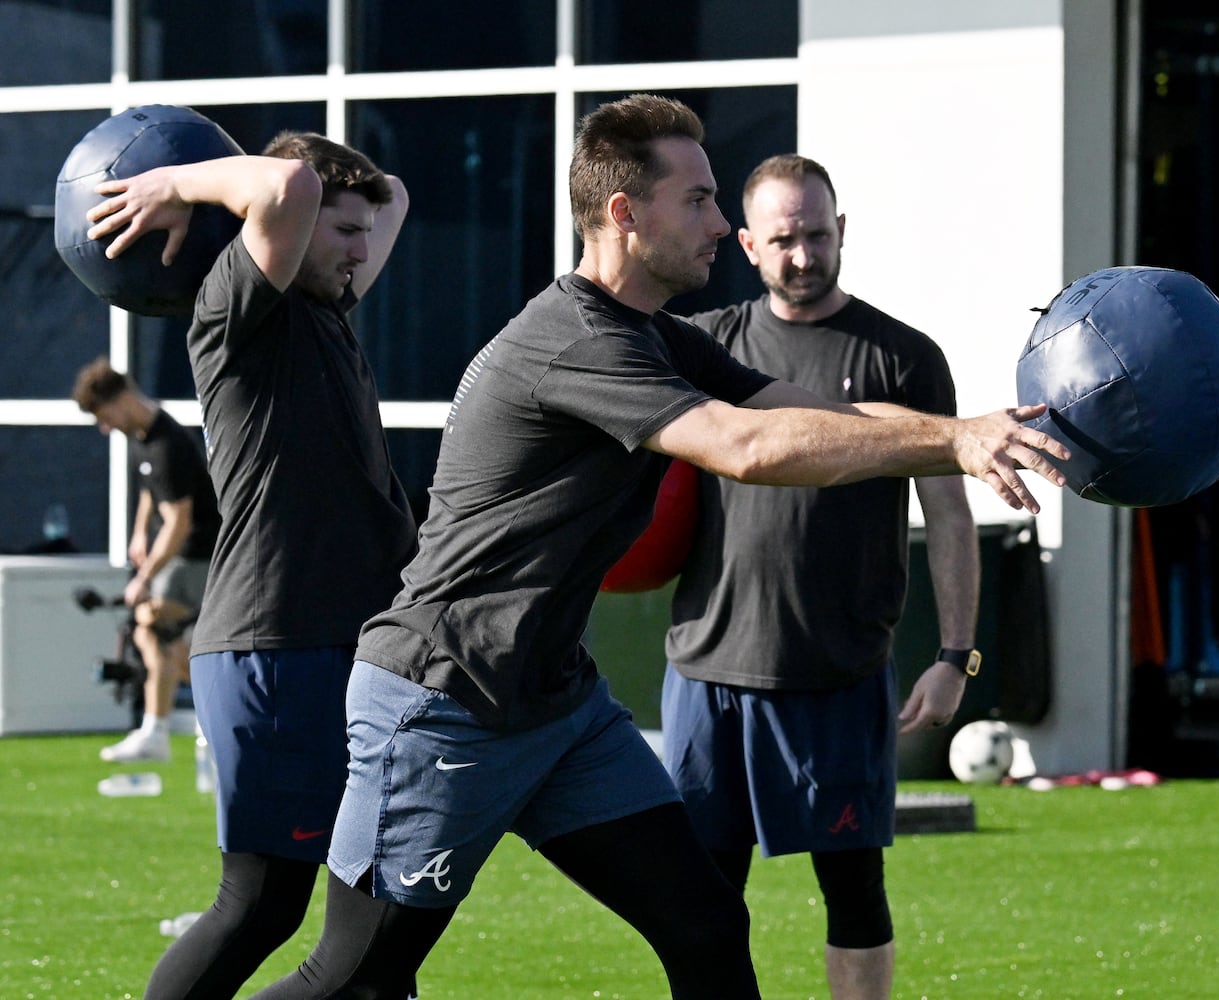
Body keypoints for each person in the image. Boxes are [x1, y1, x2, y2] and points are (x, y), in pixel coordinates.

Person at [247, 93, 1067, 1000]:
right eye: (700, 201)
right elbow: (746, 449)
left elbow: (810, 415)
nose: (723, 224)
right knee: (359, 979)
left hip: (557, 709)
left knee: (706, 920)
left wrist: (975, 428)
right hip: (444, 700)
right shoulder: (573, 340)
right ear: (624, 215)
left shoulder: (658, 338)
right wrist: (950, 441)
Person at [83, 130, 418, 999]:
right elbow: (283, 190)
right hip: (278, 644)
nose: (359, 249)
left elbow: (396, 196)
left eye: (359, 232)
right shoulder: (238, 309)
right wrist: (178, 185)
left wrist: (349, 204)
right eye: (339, 230)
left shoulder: (326, 308)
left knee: (380, 910)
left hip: (348, 644)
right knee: (261, 905)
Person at [662, 153, 979, 1000]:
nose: (802, 255)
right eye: (782, 239)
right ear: (746, 244)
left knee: (853, 893)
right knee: (701, 901)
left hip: (836, 671)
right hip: (707, 671)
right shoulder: (706, 347)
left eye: (815, 234)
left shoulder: (904, 356)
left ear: (841, 231)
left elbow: (949, 515)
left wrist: (956, 655)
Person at [72, 358, 221, 763]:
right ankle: (199, 724)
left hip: (195, 556)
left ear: (119, 401)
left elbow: (178, 521)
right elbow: (149, 492)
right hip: (178, 556)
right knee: (163, 641)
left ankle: (168, 730)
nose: (105, 428)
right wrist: (139, 531)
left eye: (103, 417)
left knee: (153, 625)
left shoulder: (167, 444)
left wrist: (144, 577)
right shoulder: (143, 436)